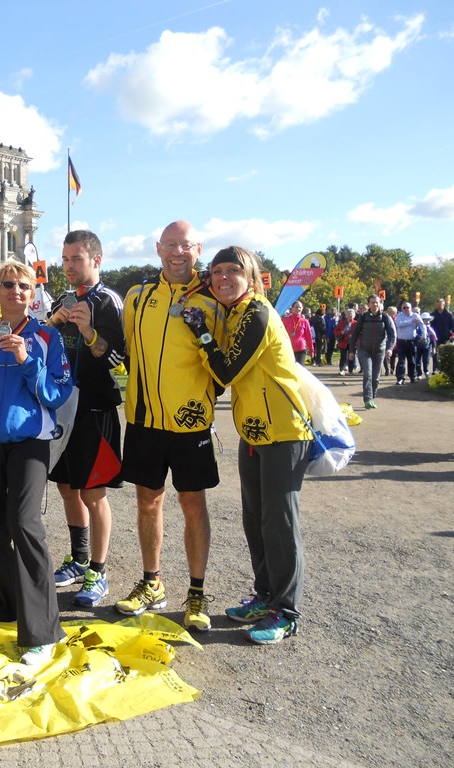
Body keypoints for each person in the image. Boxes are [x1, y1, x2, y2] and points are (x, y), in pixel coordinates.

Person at [185, 246, 311, 644]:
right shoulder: (236, 312)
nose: (222, 277)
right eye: (216, 271)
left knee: (280, 523)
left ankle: (286, 611)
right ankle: (265, 595)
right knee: (256, 519)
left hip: (284, 432)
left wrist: (200, 332)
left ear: (251, 275)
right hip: (256, 432)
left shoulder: (255, 312)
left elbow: (225, 371)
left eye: (232, 270)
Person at [0, 260, 73, 665]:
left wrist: (28, 362)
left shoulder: (46, 336)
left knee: (24, 524)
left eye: (23, 285)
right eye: (6, 284)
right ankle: (7, 605)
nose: (14, 291)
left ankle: (43, 630)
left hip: (28, 444)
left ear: (32, 292)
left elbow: (58, 395)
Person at [115, 220, 225, 633]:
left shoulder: (215, 298)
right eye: (171, 245)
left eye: (187, 246)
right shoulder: (137, 296)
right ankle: (152, 583)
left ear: (199, 249)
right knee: (148, 502)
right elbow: (123, 352)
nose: (178, 252)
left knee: (193, 504)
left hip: (190, 422)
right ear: (158, 249)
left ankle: (196, 592)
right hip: (143, 420)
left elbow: (225, 362)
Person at [46, 230, 125, 607]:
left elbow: (116, 361)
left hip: (95, 409)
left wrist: (89, 331)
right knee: (66, 487)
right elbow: (44, 345)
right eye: (64, 259)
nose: (69, 266)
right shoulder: (62, 299)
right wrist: (52, 322)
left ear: (96, 259)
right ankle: (78, 559)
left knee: (93, 493)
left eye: (76, 259)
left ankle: (98, 569)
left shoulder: (109, 301)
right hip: (63, 409)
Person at [348, 295, 395, 409]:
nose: (375, 305)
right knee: (368, 374)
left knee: (376, 377)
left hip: (379, 351)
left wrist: (390, 348)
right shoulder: (363, 317)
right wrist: (352, 351)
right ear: (368, 304)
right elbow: (354, 335)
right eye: (372, 303)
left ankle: (372, 397)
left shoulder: (385, 317)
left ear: (380, 304)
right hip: (364, 350)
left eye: (376, 302)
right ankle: (368, 399)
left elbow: (392, 335)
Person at [392, 301, 425, 384]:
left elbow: (422, 325)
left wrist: (423, 335)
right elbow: (398, 324)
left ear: (411, 308)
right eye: (404, 307)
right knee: (401, 361)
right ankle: (400, 378)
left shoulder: (415, 315)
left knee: (412, 361)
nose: (406, 309)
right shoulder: (399, 316)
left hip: (412, 341)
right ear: (402, 308)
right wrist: (411, 321)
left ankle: (412, 376)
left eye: (408, 307)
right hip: (401, 341)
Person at [281, 301, 313, 365]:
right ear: (292, 308)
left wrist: (311, 350)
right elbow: (281, 335)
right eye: (296, 307)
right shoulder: (286, 320)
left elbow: (309, 337)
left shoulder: (305, 321)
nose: (298, 309)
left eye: (300, 307)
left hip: (301, 349)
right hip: (289, 349)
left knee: (300, 370)